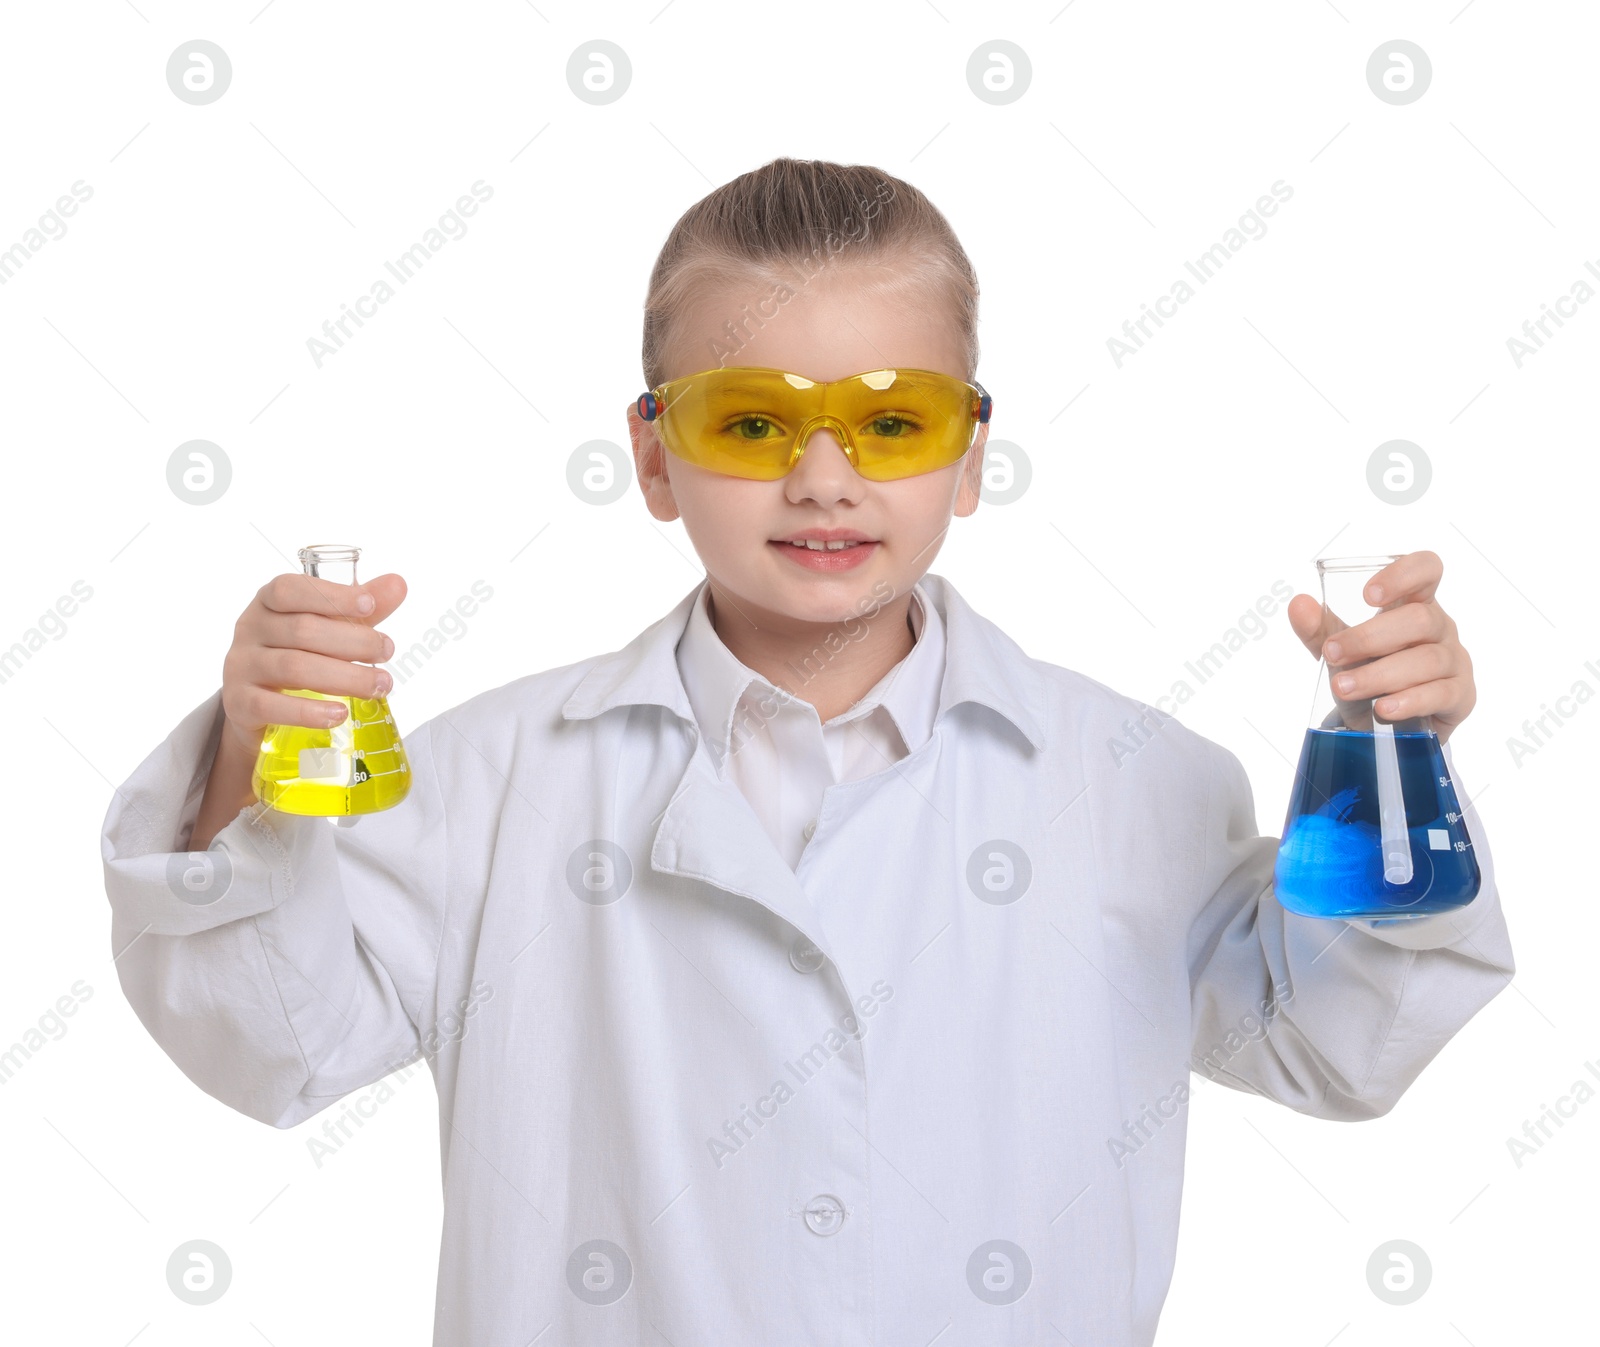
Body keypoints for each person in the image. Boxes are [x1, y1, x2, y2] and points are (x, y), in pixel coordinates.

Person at [101, 157, 1513, 1346]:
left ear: (970, 455)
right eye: (752, 421)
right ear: (654, 459)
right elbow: (269, 1052)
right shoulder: (495, 779)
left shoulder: (1136, 780)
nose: (823, 477)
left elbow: (1338, 1051)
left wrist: (1402, 774)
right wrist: (247, 751)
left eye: (893, 421)